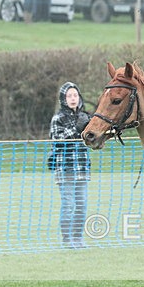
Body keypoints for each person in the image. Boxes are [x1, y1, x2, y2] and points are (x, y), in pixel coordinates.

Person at [49, 82, 91, 249]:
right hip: (65, 167)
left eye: (75, 95)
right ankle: (67, 239)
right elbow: (57, 140)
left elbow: (90, 140)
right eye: (69, 96)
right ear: (63, 99)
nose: (73, 99)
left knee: (82, 204)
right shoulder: (57, 119)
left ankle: (78, 238)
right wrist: (76, 129)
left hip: (82, 167)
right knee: (69, 204)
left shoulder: (85, 116)